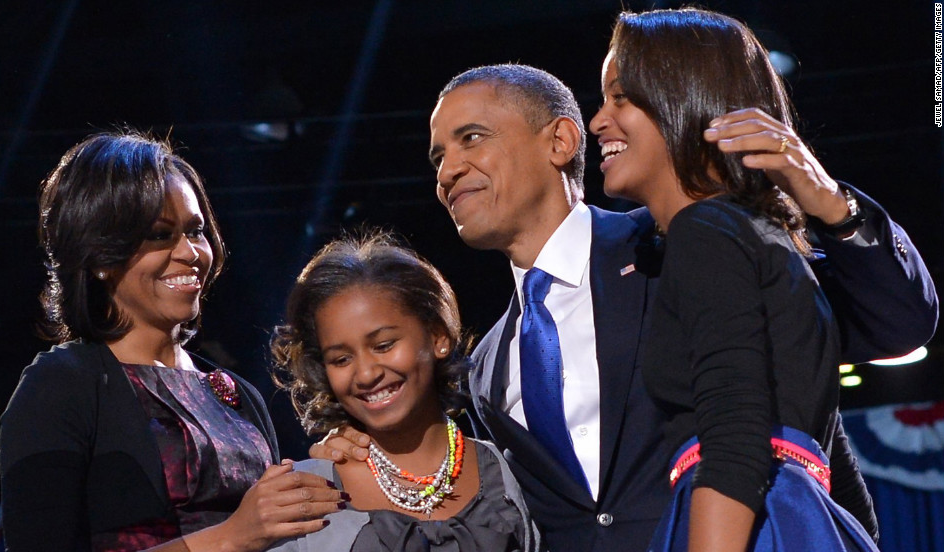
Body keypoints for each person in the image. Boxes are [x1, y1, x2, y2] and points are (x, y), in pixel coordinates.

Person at [314, 54, 937, 552]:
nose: (448, 170)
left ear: (560, 140)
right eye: (438, 157)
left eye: (470, 139)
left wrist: (835, 206)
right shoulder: (488, 364)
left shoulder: (684, 242)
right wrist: (376, 455)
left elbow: (894, 321)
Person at [588, 8, 898, 551]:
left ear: (682, 98)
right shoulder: (767, 238)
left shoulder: (704, 232)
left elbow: (732, 438)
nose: (599, 121)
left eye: (620, 97)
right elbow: (837, 462)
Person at [0, 131, 346, 552]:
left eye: (196, 231)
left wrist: (339, 465)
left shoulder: (237, 395)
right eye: (161, 235)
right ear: (101, 256)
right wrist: (231, 537)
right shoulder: (61, 385)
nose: (192, 252)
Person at [267, 232, 539, 551]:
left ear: (438, 335)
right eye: (341, 359)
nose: (366, 374)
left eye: (384, 345)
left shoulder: (511, 473)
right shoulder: (302, 494)